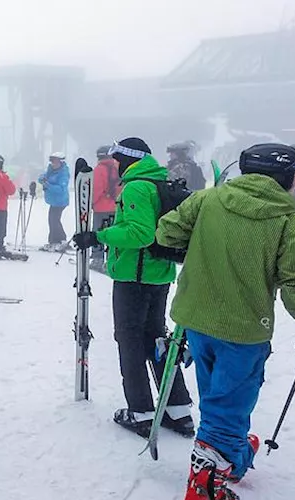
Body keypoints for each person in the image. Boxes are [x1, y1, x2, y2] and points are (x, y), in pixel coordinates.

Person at [155, 143, 295, 500]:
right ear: (282, 177)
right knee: (227, 403)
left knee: (217, 395)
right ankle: (203, 491)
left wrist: (194, 246)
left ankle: (229, 449)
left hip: (196, 320)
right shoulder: (289, 223)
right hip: (243, 329)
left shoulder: (207, 200)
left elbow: (167, 233)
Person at [71, 137, 193, 439]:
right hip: (159, 275)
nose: (115, 163)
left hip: (134, 277)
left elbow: (139, 233)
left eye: (117, 158)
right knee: (157, 340)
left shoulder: (138, 186)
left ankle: (140, 411)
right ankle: (178, 409)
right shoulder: (157, 181)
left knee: (130, 341)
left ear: (127, 158)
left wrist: (99, 236)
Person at [91, 145, 119, 272]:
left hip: (101, 208)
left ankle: (98, 259)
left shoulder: (99, 170)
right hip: (115, 207)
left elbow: (96, 189)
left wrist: (91, 203)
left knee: (99, 233)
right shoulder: (117, 168)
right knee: (112, 234)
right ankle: (112, 259)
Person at [38, 152, 70, 251]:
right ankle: (54, 240)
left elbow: (61, 189)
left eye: (56, 162)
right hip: (53, 201)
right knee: (52, 220)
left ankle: (61, 240)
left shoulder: (63, 173)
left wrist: (48, 185)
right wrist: (42, 180)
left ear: (61, 162)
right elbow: (41, 177)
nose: (53, 164)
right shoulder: (50, 170)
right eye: (52, 161)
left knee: (54, 220)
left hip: (60, 201)